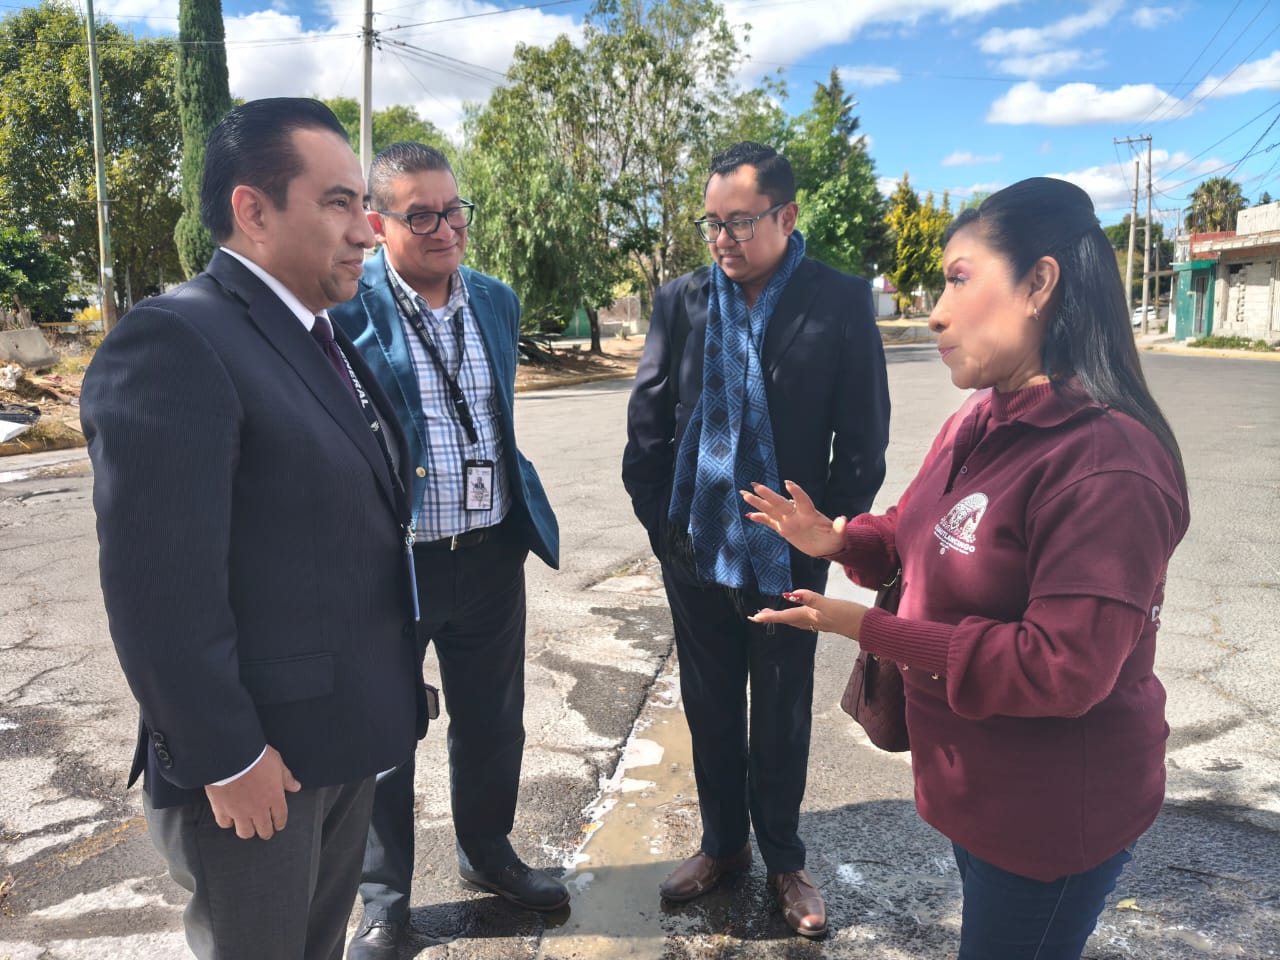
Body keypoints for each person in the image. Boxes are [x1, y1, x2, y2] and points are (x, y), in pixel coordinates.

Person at [744, 176, 1190, 959]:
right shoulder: (982, 415)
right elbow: (917, 531)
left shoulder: (1106, 462)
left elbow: (1062, 668)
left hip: (1050, 821)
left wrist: (870, 628)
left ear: (1038, 284)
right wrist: (836, 538)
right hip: (981, 793)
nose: (935, 310)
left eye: (958, 278)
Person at [81, 98, 422, 960]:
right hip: (255, 769)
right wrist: (226, 756)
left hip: (334, 744)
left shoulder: (314, 334)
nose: (367, 231)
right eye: (339, 202)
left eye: (364, 207)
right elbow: (158, 590)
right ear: (253, 209)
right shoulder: (177, 339)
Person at [622, 141, 890, 938]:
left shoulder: (836, 301)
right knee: (707, 703)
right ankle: (722, 847)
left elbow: (864, 441)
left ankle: (783, 858)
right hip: (695, 548)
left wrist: (822, 539)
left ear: (787, 215)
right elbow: (648, 418)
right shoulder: (683, 300)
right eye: (712, 222)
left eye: (739, 222)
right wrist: (662, 523)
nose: (722, 239)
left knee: (781, 708)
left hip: (787, 557)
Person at [331, 142, 564, 959]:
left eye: (453, 209)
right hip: (393, 565)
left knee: (495, 723)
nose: (445, 228)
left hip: (491, 551)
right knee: (386, 737)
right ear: (377, 223)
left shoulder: (496, 301)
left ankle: (488, 854)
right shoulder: (349, 308)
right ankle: (384, 902)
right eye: (420, 214)